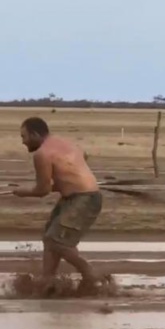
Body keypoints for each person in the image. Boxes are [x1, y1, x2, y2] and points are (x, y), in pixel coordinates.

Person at [12, 117, 104, 294]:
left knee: (57, 240)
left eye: (24, 136)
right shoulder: (63, 143)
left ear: (35, 134)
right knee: (49, 237)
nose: (23, 142)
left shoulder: (42, 154)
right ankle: (47, 282)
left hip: (83, 199)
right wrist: (69, 178)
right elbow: (83, 156)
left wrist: (22, 191)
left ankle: (92, 275)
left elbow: (42, 190)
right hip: (76, 197)